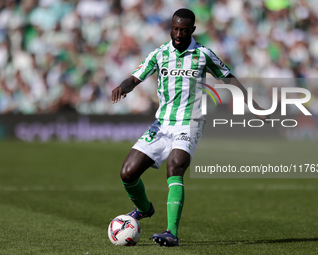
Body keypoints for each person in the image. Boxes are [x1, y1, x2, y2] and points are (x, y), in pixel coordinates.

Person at [111, 8, 268, 247]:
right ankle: (143, 209)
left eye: (184, 30)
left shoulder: (204, 55)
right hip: (162, 124)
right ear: (171, 27)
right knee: (127, 173)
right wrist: (122, 87)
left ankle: (171, 232)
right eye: (175, 28)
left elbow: (229, 79)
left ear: (192, 30)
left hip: (190, 123)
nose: (178, 34)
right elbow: (135, 78)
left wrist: (254, 106)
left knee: (176, 167)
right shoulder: (160, 54)